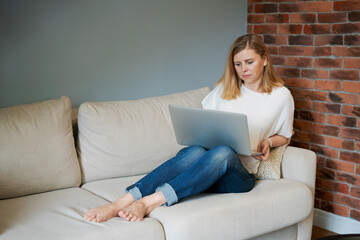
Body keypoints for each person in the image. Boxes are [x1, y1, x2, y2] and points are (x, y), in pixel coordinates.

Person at [83, 34, 294, 223]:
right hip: (205, 167)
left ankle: (148, 203)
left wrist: (268, 142)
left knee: (223, 152)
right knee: (195, 151)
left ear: (265, 59)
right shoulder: (225, 90)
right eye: (237, 64)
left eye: (249, 62)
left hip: (240, 175)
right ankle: (119, 203)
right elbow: (204, 124)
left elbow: (284, 135)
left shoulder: (281, 96)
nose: (243, 70)